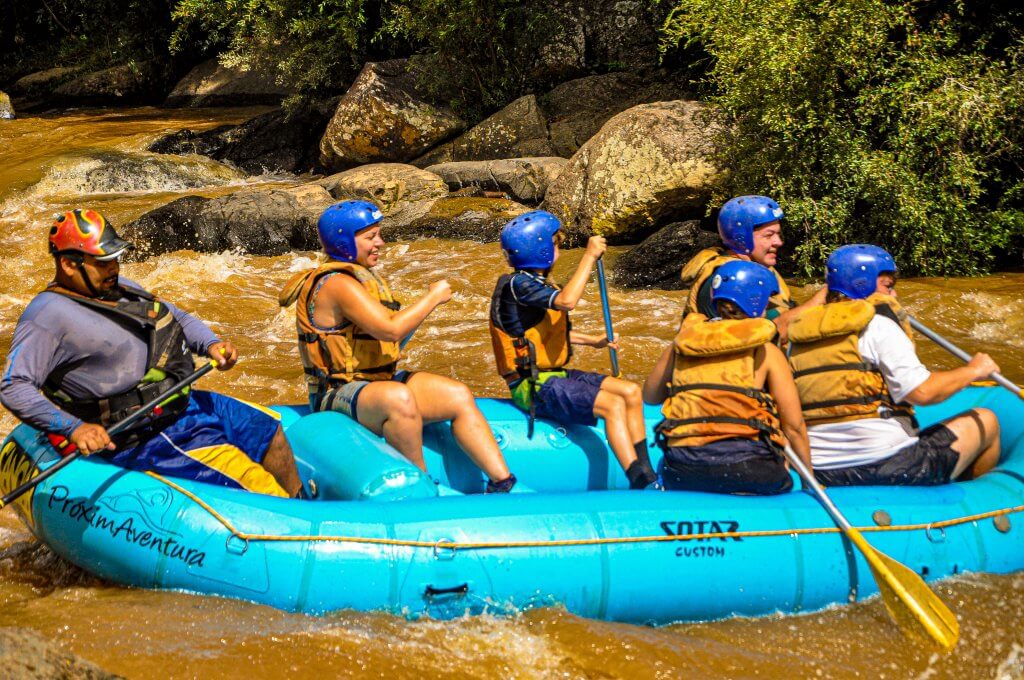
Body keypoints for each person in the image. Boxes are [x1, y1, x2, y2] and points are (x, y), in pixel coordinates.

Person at [0, 209, 303, 497]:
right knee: (254, 482)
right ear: (68, 264)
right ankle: (297, 531)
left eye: (115, 258)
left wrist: (211, 344)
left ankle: (303, 507)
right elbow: (14, 386)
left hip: (181, 404)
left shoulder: (122, 289)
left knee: (269, 432)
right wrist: (75, 428)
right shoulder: (46, 318)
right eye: (103, 261)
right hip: (142, 433)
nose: (114, 268)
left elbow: (177, 318)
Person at [279, 200, 518, 493]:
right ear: (344, 242)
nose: (380, 242)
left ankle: (503, 483)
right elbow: (390, 330)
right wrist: (432, 298)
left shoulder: (360, 277)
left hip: (374, 384)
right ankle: (422, 489)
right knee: (399, 399)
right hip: (335, 392)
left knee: (457, 395)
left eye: (379, 234)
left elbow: (387, 339)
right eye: (370, 237)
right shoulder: (337, 284)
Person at [786, 244, 1001, 486]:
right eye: (888, 287)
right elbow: (922, 392)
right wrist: (974, 370)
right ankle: (972, 499)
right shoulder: (878, 325)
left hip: (823, 470)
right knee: (987, 420)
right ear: (863, 284)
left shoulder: (799, 339)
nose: (894, 295)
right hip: (890, 464)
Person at [488, 210, 659, 490]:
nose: (559, 248)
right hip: (531, 386)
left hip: (554, 374)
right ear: (540, 249)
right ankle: (640, 481)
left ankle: (647, 469)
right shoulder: (519, 285)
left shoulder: (537, 284)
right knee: (612, 404)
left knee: (630, 391)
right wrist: (589, 257)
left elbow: (549, 335)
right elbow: (568, 302)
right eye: (555, 244)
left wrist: (595, 341)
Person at [643, 260, 811, 495]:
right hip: (748, 468)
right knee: (779, 458)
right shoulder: (765, 351)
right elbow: (794, 426)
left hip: (682, 469)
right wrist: (810, 482)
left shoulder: (683, 344)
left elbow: (650, 396)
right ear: (756, 304)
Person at [680, 195, 827, 341]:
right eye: (769, 235)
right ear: (742, 239)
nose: (779, 242)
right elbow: (754, 337)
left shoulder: (756, 267)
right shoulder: (727, 280)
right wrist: (824, 296)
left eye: (778, 234)